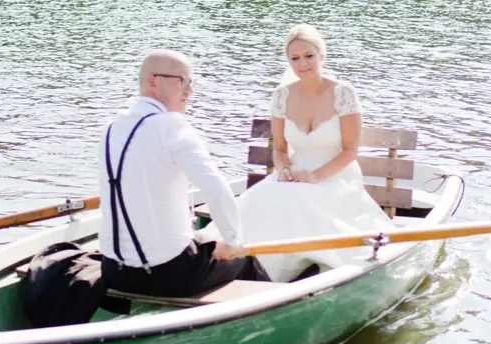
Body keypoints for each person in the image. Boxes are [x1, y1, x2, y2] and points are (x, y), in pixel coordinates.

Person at [99, 49, 270, 300]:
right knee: (245, 258)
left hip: (113, 270)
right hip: (166, 274)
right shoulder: (172, 126)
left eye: (191, 82)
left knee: (199, 242)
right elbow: (216, 190)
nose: (189, 90)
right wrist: (233, 242)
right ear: (152, 82)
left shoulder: (111, 127)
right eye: (183, 81)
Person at [238, 24, 390, 282]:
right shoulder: (281, 96)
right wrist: (283, 169)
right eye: (294, 58)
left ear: (322, 54)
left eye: (308, 56)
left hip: (335, 174)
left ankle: (289, 270)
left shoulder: (343, 93)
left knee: (298, 201)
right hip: (295, 173)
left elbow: (350, 150)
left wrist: (317, 176)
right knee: (262, 199)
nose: (302, 64)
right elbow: (280, 149)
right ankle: (248, 268)